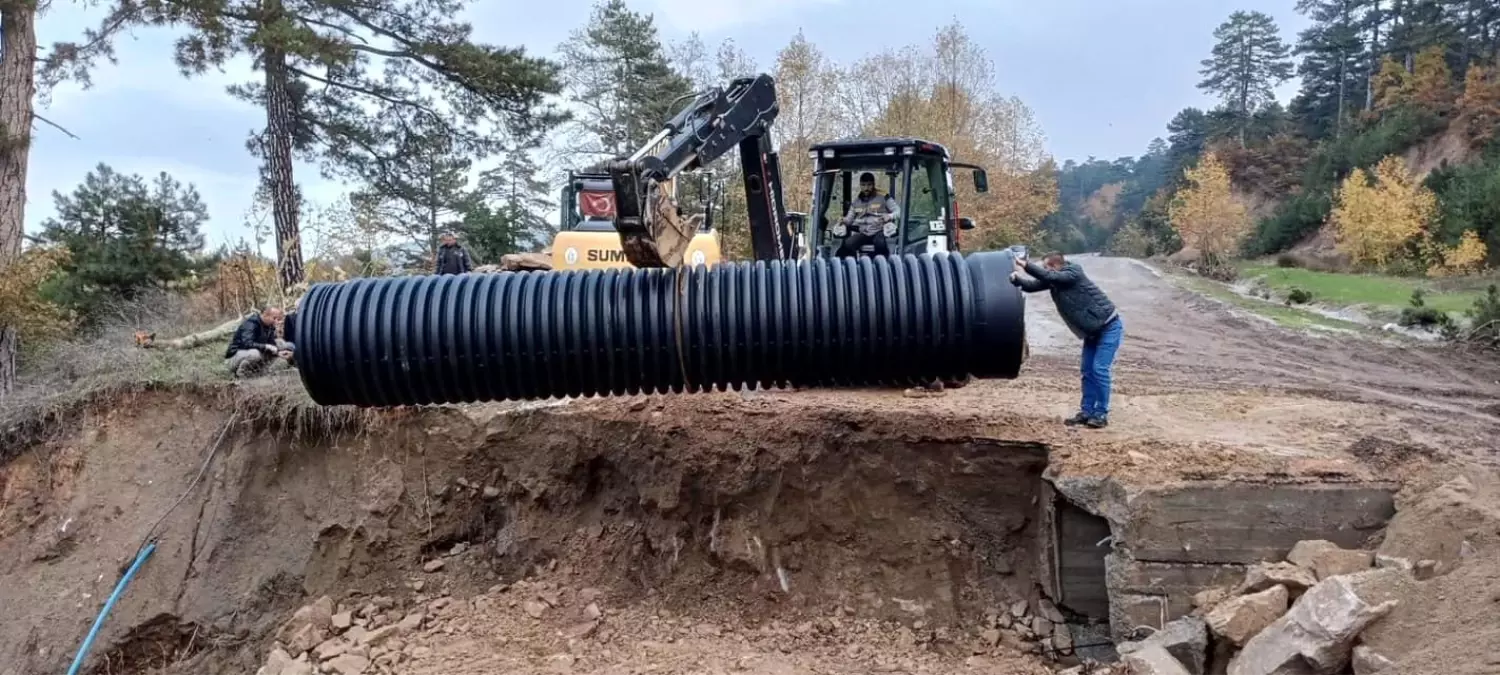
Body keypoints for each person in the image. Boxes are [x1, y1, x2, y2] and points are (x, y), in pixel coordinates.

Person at [1010, 252, 1123, 428]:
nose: (1046, 270)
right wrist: (1016, 279)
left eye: (1047, 266)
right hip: (1092, 331)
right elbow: (1031, 286)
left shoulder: (1073, 272)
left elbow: (1046, 276)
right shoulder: (1055, 280)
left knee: (1099, 369)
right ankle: (1086, 412)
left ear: (1056, 266)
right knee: (1087, 371)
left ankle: (1101, 414)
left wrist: (1025, 265)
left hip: (1108, 326)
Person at [836, 172, 899, 258]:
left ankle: (876, 263)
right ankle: (852, 265)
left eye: (869, 185)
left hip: (879, 230)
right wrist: (843, 221)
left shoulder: (883, 197)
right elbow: (849, 220)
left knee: (880, 243)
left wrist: (890, 216)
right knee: (848, 244)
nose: (866, 188)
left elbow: (898, 211)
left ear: (873, 184)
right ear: (860, 185)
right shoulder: (856, 202)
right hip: (864, 232)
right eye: (863, 185)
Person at [225, 307, 294, 379]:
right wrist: (265, 346)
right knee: (255, 354)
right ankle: (242, 374)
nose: (276, 322)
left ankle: (259, 373)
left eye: (278, 319)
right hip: (236, 356)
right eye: (274, 318)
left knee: (281, 345)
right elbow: (247, 343)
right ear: (265, 315)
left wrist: (278, 352)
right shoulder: (251, 323)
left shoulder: (270, 326)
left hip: (255, 354)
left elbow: (272, 344)